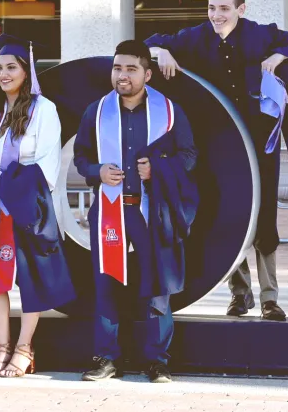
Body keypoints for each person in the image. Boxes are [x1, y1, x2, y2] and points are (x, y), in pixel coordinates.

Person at [146, 0, 288, 321]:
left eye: (224, 8)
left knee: (264, 213)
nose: (216, 15)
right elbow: (148, 43)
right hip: (216, 143)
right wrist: (162, 52)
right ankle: (240, 295)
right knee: (228, 210)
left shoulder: (260, 34)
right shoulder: (193, 38)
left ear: (241, 10)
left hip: (259, 141)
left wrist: (279, 54)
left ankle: (270, 297)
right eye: (212, 8)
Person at [74, 40, 198, 384]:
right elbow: (81, 155)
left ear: (147, 73)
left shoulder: (169, 111)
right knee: (106, 283)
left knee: (158, 284)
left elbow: (189, 156)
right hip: (111, 209)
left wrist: (157, 169)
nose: (122, 75)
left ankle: (157, 360)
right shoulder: (96, 112)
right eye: (117, 68)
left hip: (151, 209)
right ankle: (107, 358)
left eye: (130, 68)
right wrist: (96, 171)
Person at [0, 35, 73, 378]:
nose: (3, 74)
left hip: (25, 204)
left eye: (11, 67)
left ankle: (24, 348)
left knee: (29, 277)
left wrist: (14, 187)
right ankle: (2, 347)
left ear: (26, 72)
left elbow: (48, 164)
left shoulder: (43, 110)